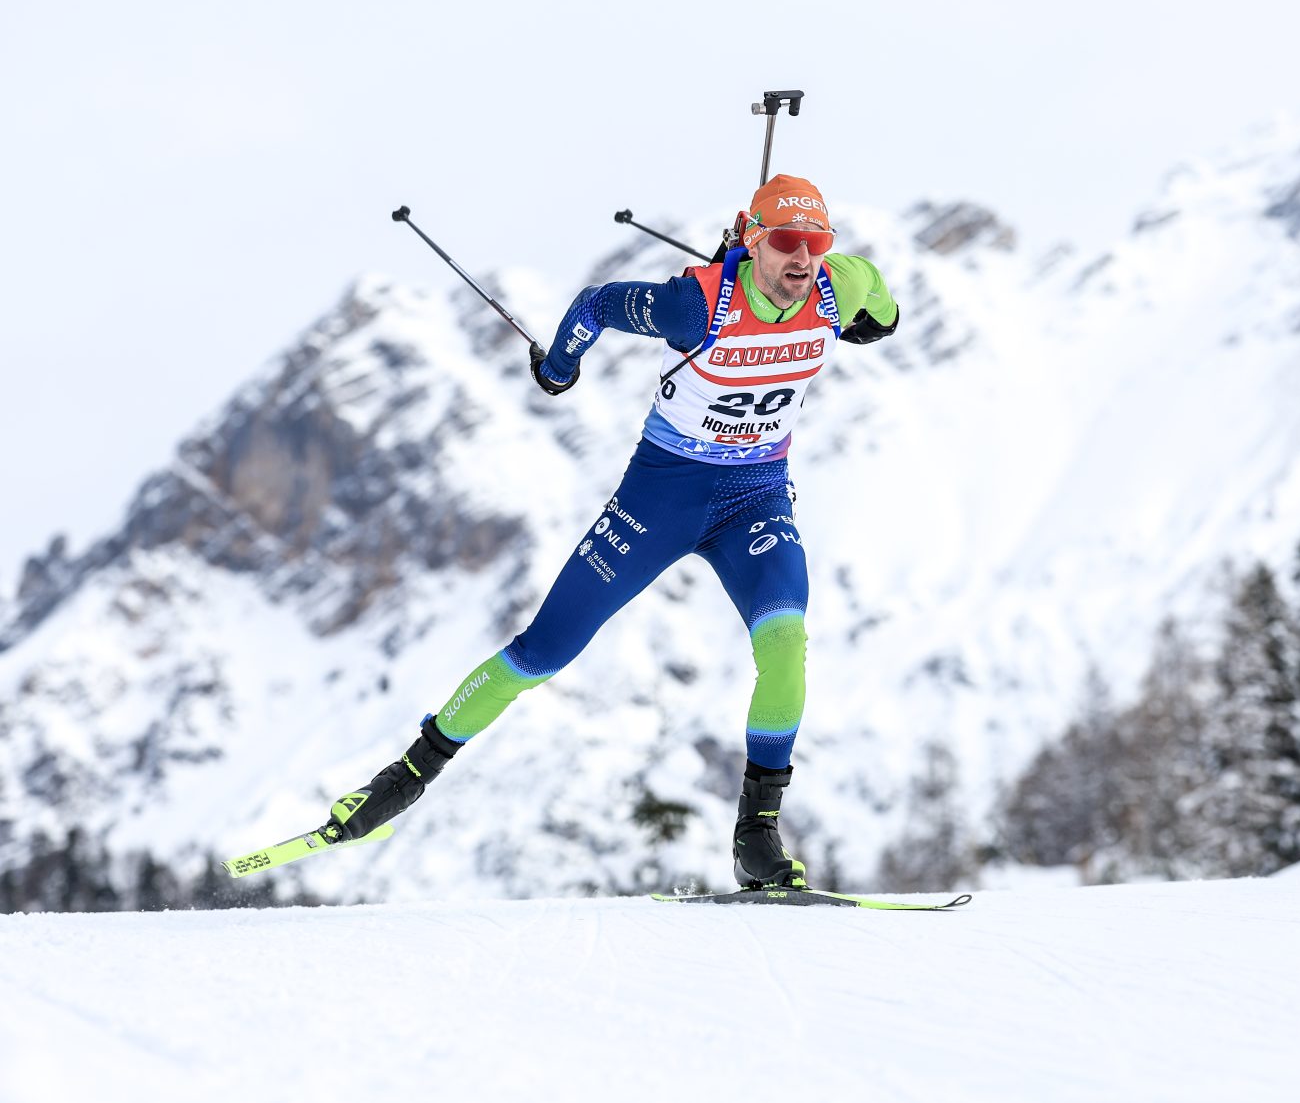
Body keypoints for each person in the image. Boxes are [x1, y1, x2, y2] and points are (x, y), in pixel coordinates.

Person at [327, 174, 900, 889]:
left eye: (816, 244)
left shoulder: (836, 285)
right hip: (663, 497)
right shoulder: (696, 304)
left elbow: (882, 308)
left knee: (785, 644)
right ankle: (404, 777)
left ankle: (757, 832)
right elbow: (595, 306)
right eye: (786, 241)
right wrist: (559, 366)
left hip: (756, 498)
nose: (803, 259)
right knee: (543, 652)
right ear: (752, 238)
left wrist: (865, 319)